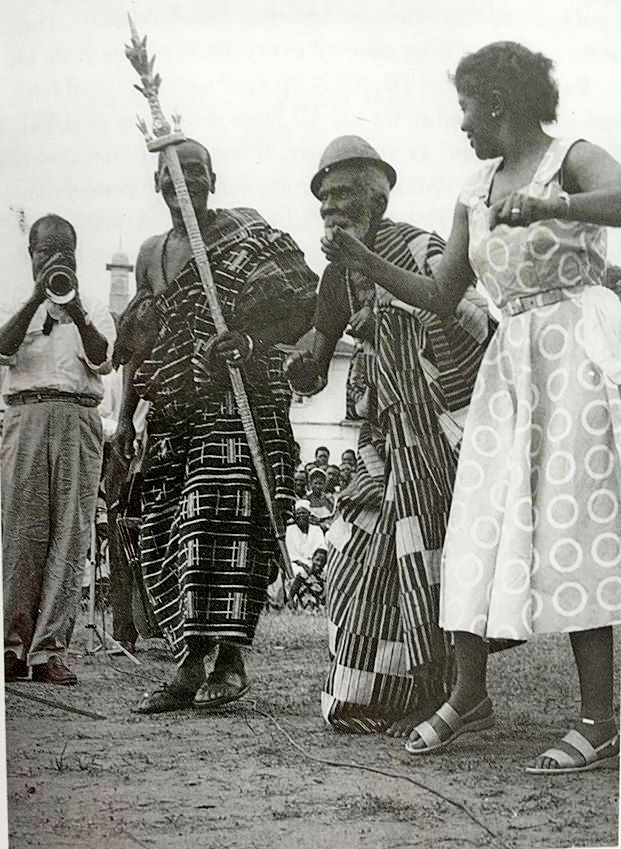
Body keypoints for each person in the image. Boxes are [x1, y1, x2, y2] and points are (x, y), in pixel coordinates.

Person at [321, 42, 621, 774]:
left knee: (573, 521)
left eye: (465, 106)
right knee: (476, 520)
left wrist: (553, 205)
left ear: (498, 103)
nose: (460, 123)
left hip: (575, 354)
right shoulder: (474, 188)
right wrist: (363, 262)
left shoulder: (572, 159)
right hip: (511, 363)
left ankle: (598, 718)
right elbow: (439, 293)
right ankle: (468, 694)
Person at [286, 134, 494, 735]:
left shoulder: (419, 248)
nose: (330, 207)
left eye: (342, 194)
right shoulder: (334, 279)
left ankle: (456, 696)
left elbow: (471, 318)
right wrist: (300, 366)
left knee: (434, 565)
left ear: (377, 201)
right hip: (383, 440)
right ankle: (394, 691)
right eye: (323, 198)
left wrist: (386, 303)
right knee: (361, 559)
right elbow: (317, 359)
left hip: (440, 434)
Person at [112, 139, 317, 713]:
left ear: (214, 179)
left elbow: (300, 302)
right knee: (163, 529)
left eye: (197, 172)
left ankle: (227, 661)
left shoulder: (248, 233)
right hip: (173, 412)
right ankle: (186, 665)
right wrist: (125, 418)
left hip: (236, 403)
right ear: (157, 184)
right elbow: (140, 343)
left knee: (220, 528)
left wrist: (246, 340)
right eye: (173, 175)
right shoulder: (150, 254)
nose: (186, 183)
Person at [0, 214, 115, 685]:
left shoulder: (95, 307)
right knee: (20, 536)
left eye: (64, 252)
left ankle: (48, 651)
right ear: (31, 254)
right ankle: (11, 647)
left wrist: (77, 309)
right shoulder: (12, 301)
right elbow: (2, 348)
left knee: (70, 536)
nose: (54, 260)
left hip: (78, 417)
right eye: (45, 251)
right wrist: (36, 298)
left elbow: (103, 358)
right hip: (25, 414)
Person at [285, 500, 326, 576]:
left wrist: (315, 564)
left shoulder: (317, 530)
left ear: (309, 514)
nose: (301, 515)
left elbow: (321, 549)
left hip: (315, 563)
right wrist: (304, 565)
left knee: (327, 570)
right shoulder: (290, 530)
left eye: (303, 513)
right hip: (297, 564)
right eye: (298, 513)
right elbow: (291, 554)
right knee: (298, 571)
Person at [307, 467, 335, 532]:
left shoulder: (329, 499)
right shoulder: (306, 499)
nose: (318, 486)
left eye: (320, 483)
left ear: (324, 484)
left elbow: (332, 516)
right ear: (310, 483)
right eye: (315, 483)